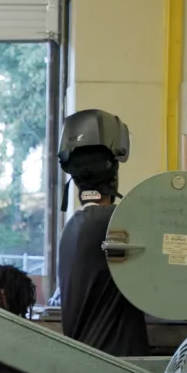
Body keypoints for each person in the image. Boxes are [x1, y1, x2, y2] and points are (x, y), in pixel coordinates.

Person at [56, 109, 149, 357]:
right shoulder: (114, 222)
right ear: (114, 175)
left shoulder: (73, 226)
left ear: (75, 180)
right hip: (114, 367)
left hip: (89, 365)